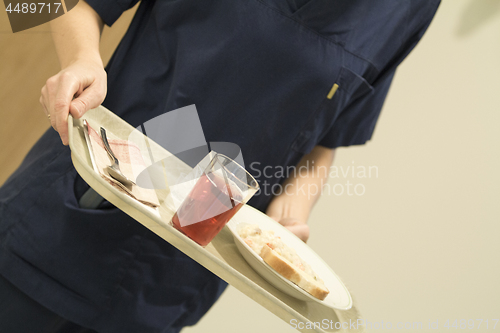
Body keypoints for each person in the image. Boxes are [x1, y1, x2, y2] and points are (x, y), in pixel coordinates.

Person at [0, 0, 440, 332]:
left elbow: (330, 135)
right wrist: (80, 60)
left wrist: (290, 221)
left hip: (171, 286)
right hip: (59, 225)